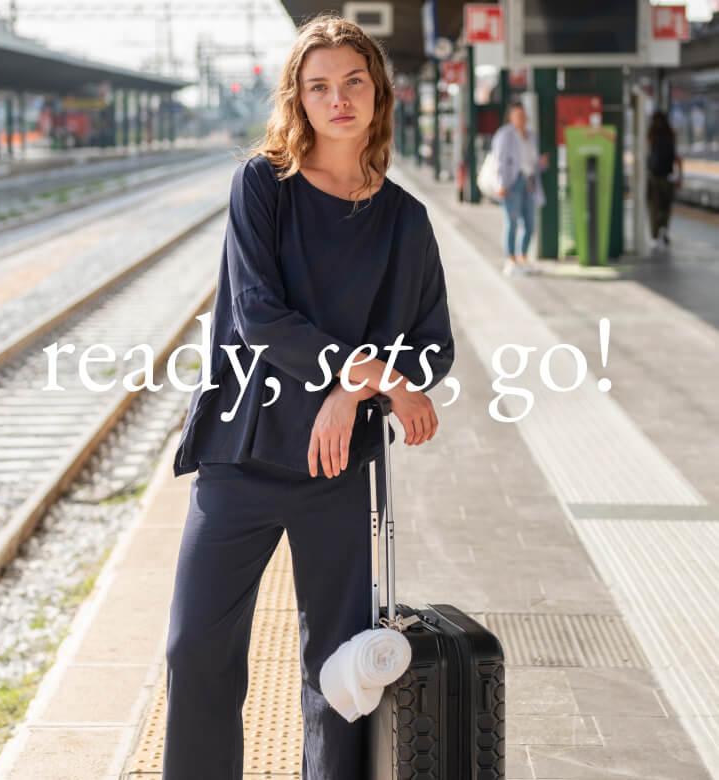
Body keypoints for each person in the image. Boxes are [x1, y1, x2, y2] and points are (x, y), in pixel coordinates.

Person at [163, 12, 455, 780]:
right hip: (243, 450)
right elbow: (257, 315)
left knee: (341, 674)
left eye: (353, 82)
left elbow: (432, 348)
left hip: (335, 466)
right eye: (319, 85)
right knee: (194, 648)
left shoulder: (405, 222)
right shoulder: (263, 186)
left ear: (377, 93)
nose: (338, 99)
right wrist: (361, 377)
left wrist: (355, 393)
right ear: (298, 98)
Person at [490, 100, 548, 277]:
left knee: (530, 223)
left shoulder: (532, 136)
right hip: (512, 184)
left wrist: (541, 164)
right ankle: (511, 260)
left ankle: (523, 258)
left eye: (524, 115)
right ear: (511, 117)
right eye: (518, 116)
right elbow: (498, 161)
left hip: (529, 182)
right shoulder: (504, 135)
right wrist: (500, 184)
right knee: (512, 222)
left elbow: (533, 162)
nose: (522, 119)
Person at [646, 109, 683, 247]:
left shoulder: (653, 134)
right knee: (662, 208)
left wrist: (680, 177)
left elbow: (677, 158)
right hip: (662, 177)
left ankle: (658, 233)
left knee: (657, 208)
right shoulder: (669, 134)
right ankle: (660, 232)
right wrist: (680, 177)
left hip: (659, 177)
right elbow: (677, 158)